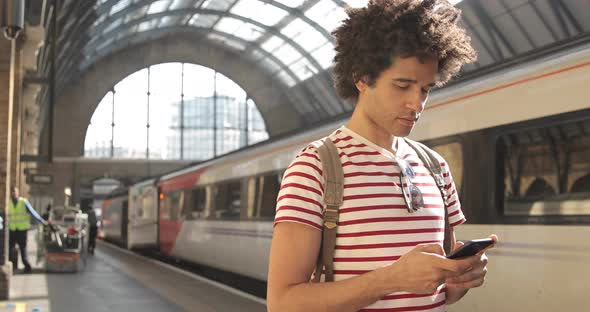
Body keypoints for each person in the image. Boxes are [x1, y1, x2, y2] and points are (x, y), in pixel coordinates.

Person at [267, 1, 498, 311]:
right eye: (402, 86)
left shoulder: (435, 166)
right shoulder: (315, 168)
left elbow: (437, 292)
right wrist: (391, 279)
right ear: (362, 78)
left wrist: (458, 280)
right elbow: (283, 303)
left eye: (426, 89)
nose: (416, 104)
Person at [8, 186, 47, 273]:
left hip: (22, 230)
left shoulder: (23, 202)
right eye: (12, 192)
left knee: (23, 249)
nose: (13, 194)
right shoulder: (8, 203)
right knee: (9, 249)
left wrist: (42, 221)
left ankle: (27, 267)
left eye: (14, 192)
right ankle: (12, 266)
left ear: (18, 192)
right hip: (12, 229)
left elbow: (33, 212)